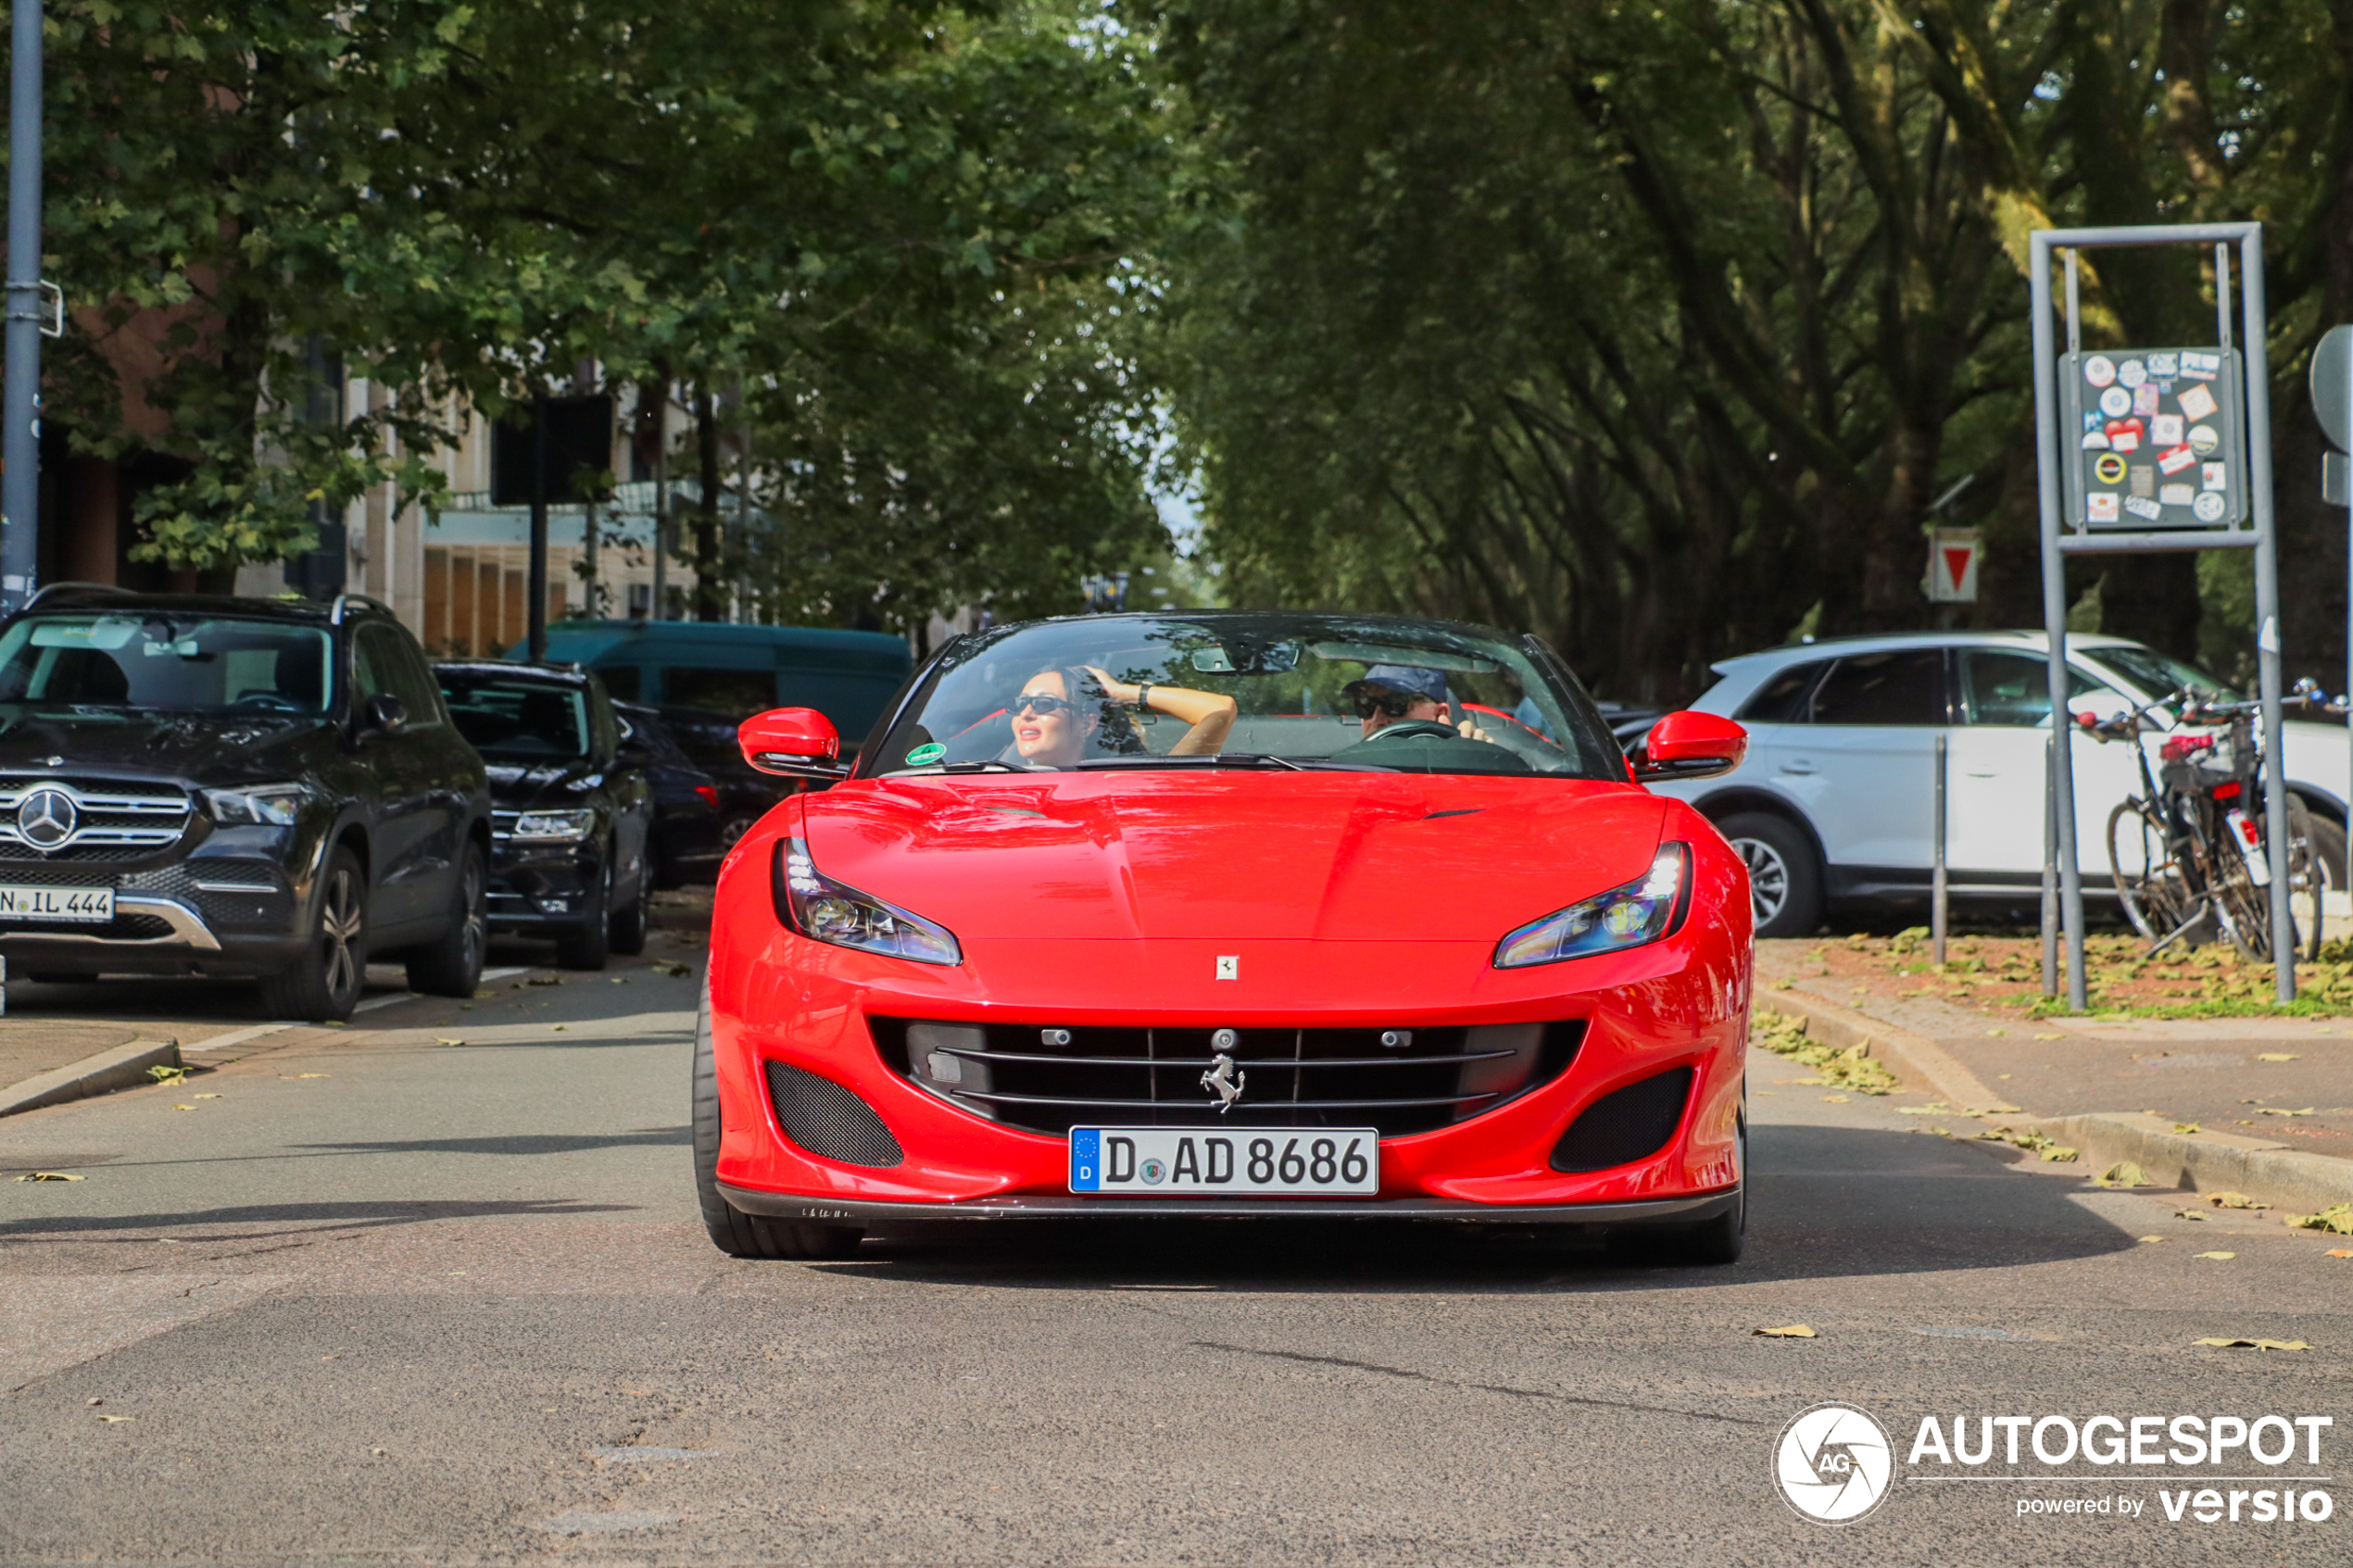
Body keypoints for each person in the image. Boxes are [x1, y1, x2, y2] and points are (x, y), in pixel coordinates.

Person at [1011, 665, 1237, 768]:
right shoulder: (989, 779)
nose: (1026, 713)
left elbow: (1220, 710)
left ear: (1088, 723)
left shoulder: (1138, 781)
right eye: (1022, 703)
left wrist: (1124, 692)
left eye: (1044, 704)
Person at [1343, 664, 1491, 744]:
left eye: (1395, 704)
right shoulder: (1341, 772)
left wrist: (1478, 759)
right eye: (1366, 705)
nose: (1376, 719)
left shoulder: (1458, 766)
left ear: (1439, 714)